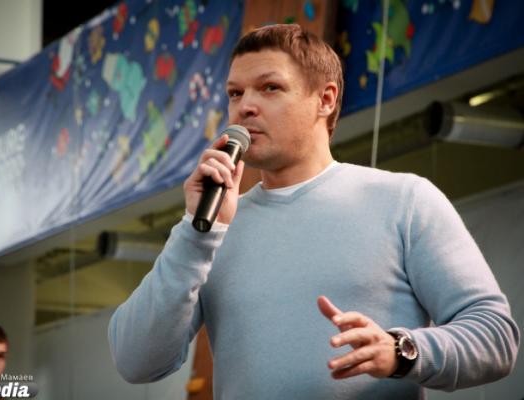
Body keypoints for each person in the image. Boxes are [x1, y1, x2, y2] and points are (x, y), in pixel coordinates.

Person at [108, 24, 519, 399]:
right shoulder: (212, 228)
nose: (245, 106)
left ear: (325, 99)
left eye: (269, 87)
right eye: (235, 93)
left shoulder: (405, 199)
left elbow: (495, 335)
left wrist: (401, 350)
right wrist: (196, 233)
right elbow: (134, 362)